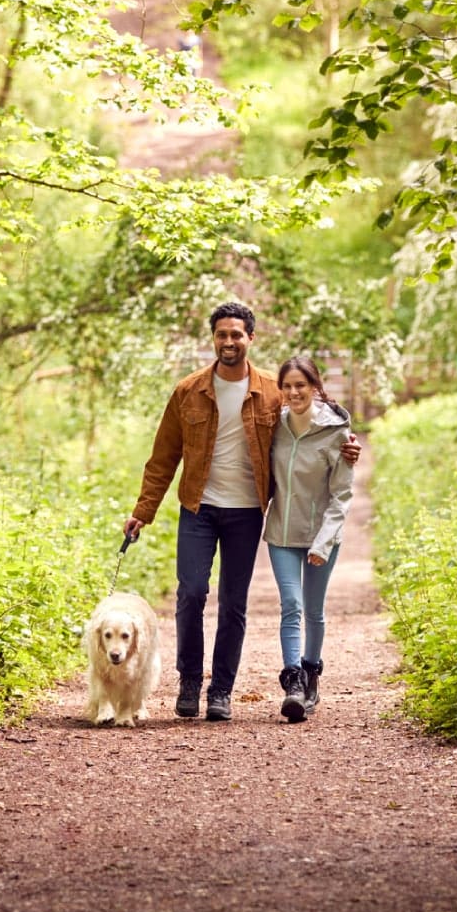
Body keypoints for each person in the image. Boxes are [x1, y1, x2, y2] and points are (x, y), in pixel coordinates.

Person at [124, 302, 360, 721]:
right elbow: (163, 457)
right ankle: (190, 681)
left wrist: (346, 442)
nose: (229, 342)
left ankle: (221, 691)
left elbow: (312, 416)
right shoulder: (188, 391)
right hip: (198, 507)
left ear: (251, 338)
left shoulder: (271, 391)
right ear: (213, 338)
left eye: (237, 334)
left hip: (247, 511)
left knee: (234, 602)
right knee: (191, 594)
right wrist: (144, 510)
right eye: (221, 334)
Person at [263, 356, 354, 722]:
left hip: (322, 537)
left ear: (314, 387)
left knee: (314, 610)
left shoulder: (337, 433)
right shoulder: (275, 427)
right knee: (291, 605)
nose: (293, 392)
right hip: (282, 531)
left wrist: (323, 543)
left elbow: (342, 495)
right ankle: (293, 683)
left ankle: (312, 671)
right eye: (287, 386)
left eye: (301, 385)